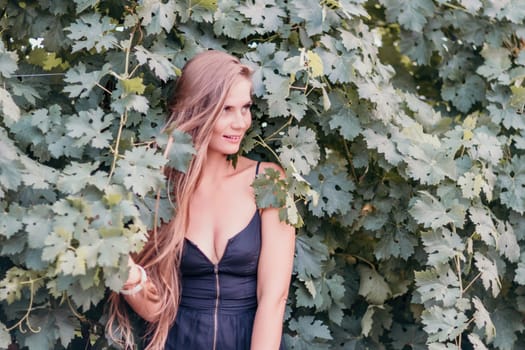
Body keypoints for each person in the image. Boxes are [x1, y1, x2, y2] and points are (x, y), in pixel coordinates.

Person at [107, 50, 296, 350]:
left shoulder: (269, 181)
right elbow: (156, 310)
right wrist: (124, 268)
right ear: (198, 111)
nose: (240, 123)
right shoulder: (164, 189)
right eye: (226, 110)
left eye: (245, 108)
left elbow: (273, 299)